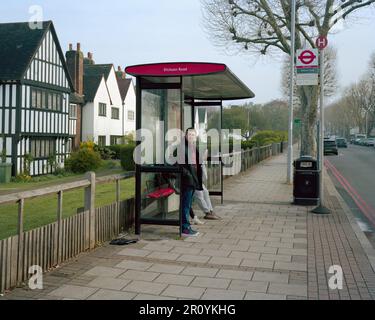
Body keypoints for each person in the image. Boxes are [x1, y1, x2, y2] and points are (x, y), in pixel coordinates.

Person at [177, 128, 202, 237]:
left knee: (187, 204)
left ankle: (186, 227)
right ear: (186, 136)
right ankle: (185, 229)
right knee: (185, 205)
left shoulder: (192, 147)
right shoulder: (182, 148)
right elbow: (178, 164)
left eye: (193, 135)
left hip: (193, 179)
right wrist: (187, 175)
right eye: (190, 134)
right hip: (187, 180)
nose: (191, 136)